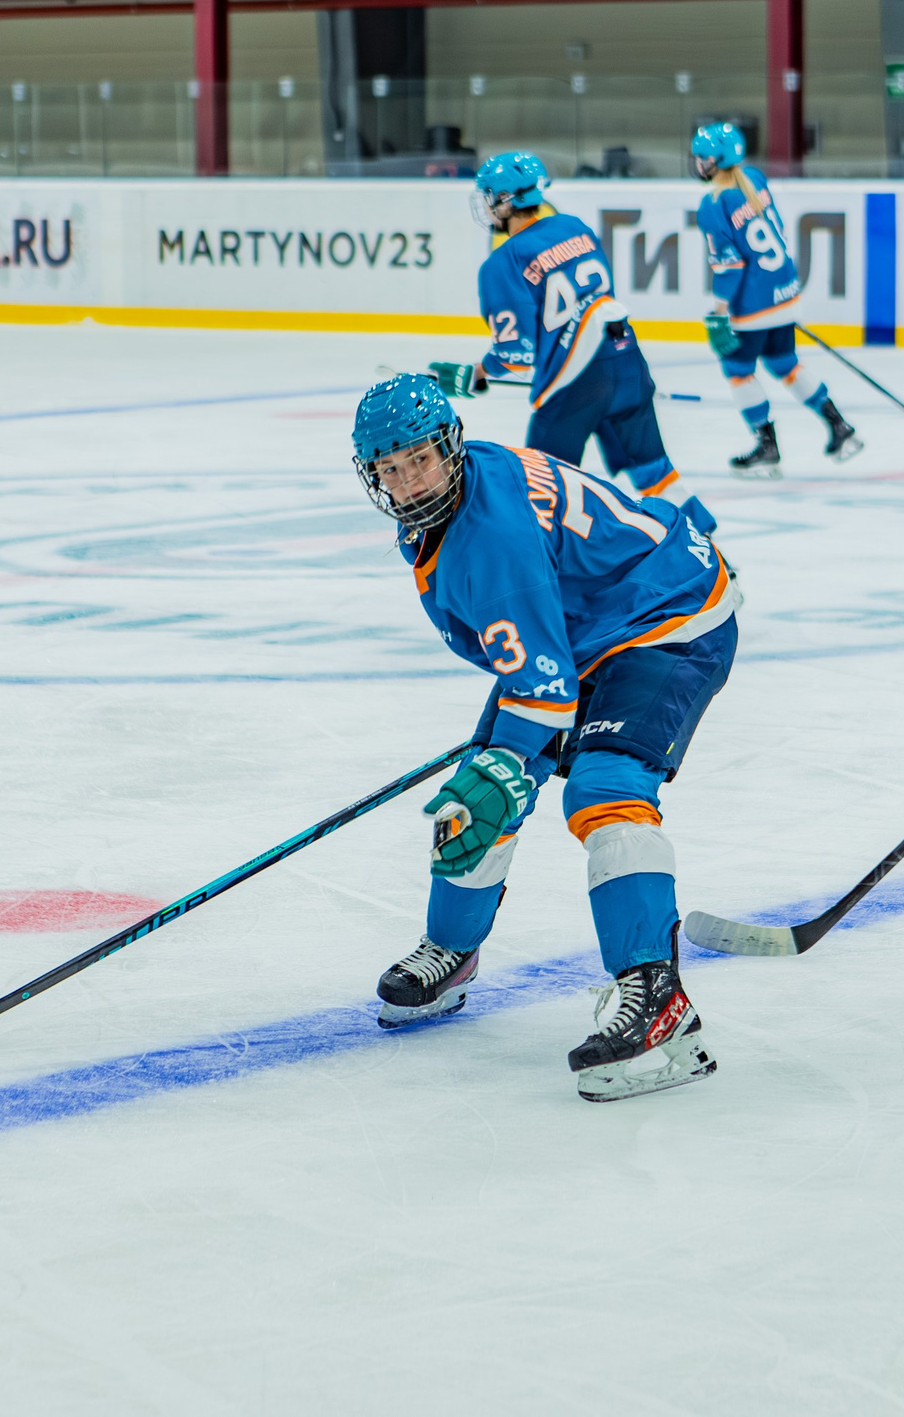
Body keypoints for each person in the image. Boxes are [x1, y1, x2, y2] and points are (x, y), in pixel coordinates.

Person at [351, 374, 739, 1102]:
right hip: (583, 626)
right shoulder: (457, 498)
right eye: (390, 469)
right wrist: (503, 759)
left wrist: (507, 759)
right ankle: (452, 951)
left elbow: (544, 684)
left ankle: (657, 999)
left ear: (449, 446)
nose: (408, 483)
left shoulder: (489, 538)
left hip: (668, 616)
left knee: (601, 789)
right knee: (481, 789)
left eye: (420, 460)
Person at [433, 151, 712, 532]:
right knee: (653, 469)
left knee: (541, 487)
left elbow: (516, 355)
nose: (487, 206)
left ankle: (557, 562)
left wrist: (476, 372)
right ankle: (703, 539)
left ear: (507, 201)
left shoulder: (502, 263)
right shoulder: (574, 227)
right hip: (627, 358)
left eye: (490, 197)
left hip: (577, 381)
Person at [689, 121, 860, 477]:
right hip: (785, 292)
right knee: (785, 364)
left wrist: (719, 311)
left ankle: (766, 445)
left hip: (753, 305)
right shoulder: (754, 179)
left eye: (703, 158)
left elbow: (730, 267)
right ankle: (838, 424)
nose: (699, 163)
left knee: (738, 372)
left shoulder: (712, 204)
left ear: (717, 161)